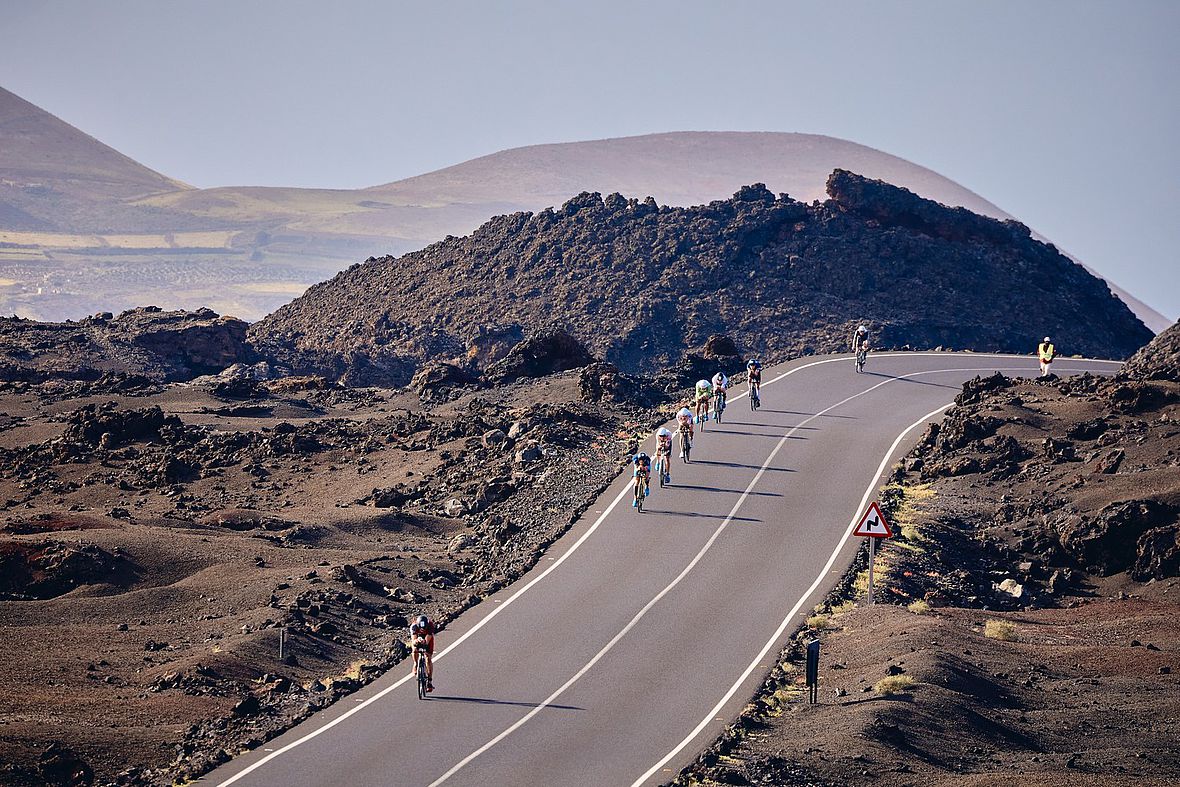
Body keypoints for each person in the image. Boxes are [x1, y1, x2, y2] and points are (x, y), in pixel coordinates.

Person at [410, 614, 436, 692]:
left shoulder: (430, 625)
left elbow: (428, 640)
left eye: (424, 629)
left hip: (427, 638)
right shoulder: (414, 626)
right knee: (414, 649)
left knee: (428, 658)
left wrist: (424, 642)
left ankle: (429, 681)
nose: (422, 630)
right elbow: (413, 640)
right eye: (421, 629)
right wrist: (417, 642)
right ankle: (415, 664)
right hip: (418, 637)